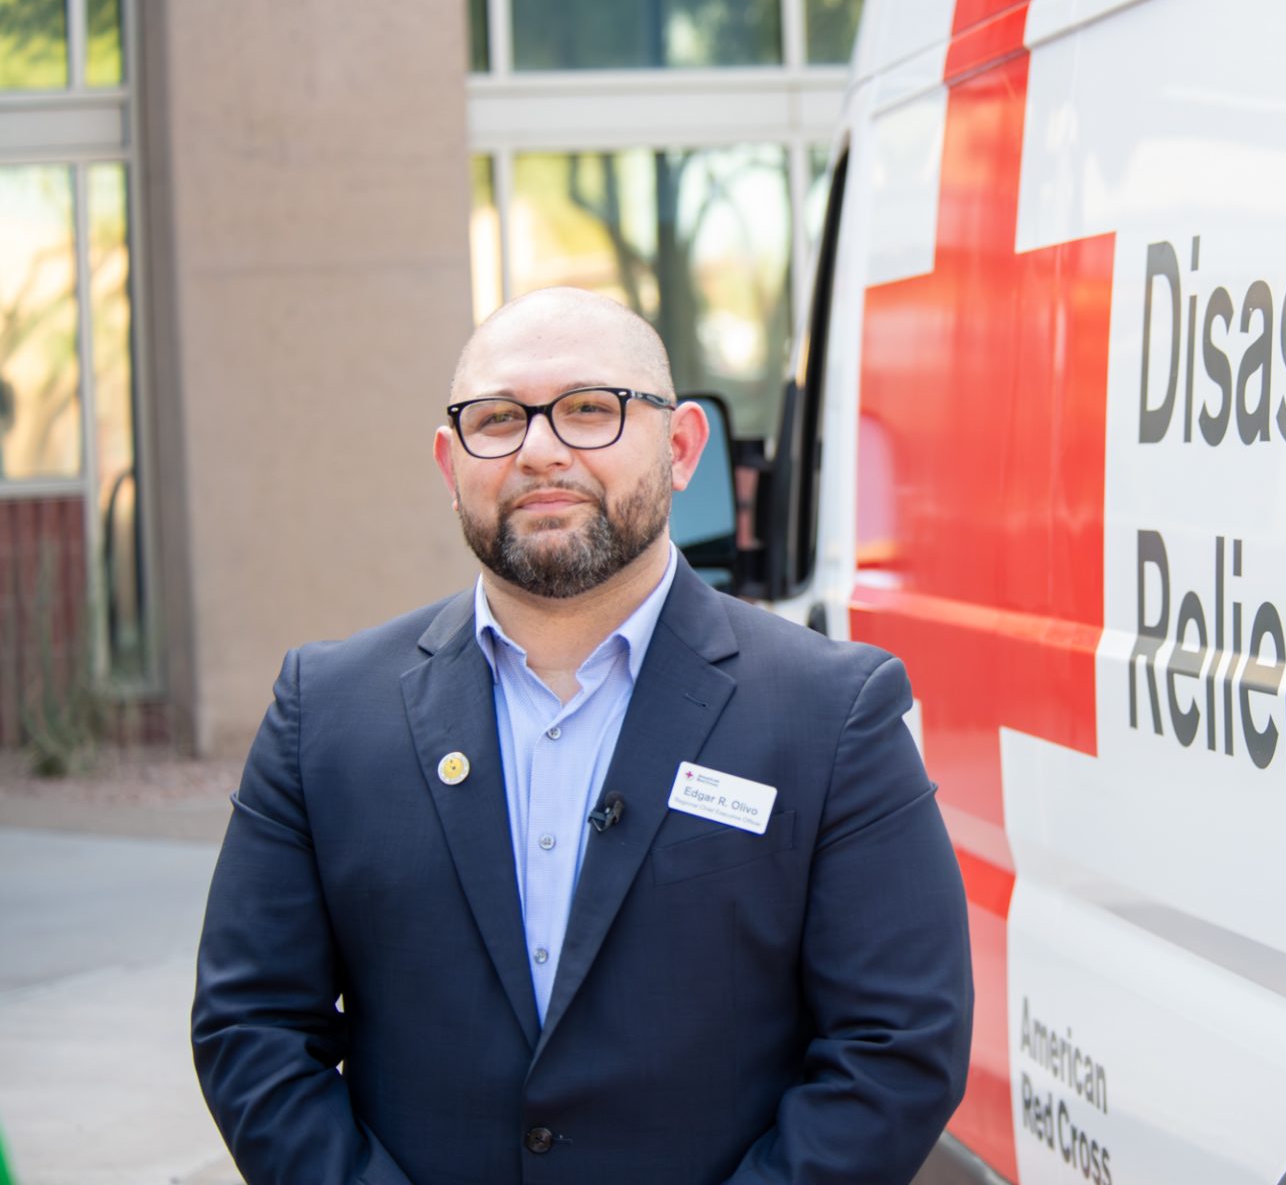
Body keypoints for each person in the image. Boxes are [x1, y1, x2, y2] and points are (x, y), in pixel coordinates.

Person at [192, 287, 972, 1184]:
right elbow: (249, 1027)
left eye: (590, 410)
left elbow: (899, 1044)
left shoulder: (832, 714)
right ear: (451, 464)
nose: (540, 449)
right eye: (496, 420)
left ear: (681, 448)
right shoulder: (324, 710)